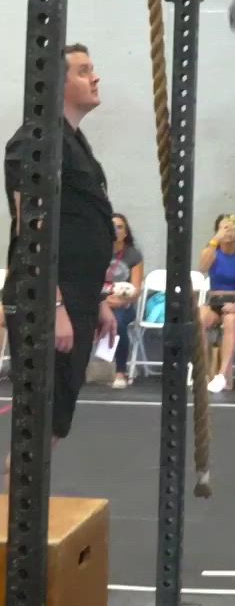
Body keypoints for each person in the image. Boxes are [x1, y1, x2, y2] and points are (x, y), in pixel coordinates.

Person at [3, 45, 117, 458]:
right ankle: (17, 516)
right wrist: (53, 306)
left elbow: (78, 226)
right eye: (85, 71)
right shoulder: (34, 143)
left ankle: (21, 516)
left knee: (57, 417)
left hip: (75, 296)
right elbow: (32, 231)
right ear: (57, 84)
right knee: (40, 417)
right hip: (46, 298)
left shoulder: (74, 143)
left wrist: (97, 299)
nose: (95, 77)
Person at [198, 213, 235, 394]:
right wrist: (216, 239)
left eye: (232, 228)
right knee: (200, 317)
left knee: (230, 320)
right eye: (224, 228)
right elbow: (202, 268)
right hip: (215, 303)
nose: (228, 232)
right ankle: (203, 373)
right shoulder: (212, 252)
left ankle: (222, 375)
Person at [102, 213, 144, 389]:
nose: (115, 230)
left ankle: (120, 372)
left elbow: (135, 290)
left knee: (118, 322)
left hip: (122, 303)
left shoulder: (133, 255)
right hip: (99, 301)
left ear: (126, 233)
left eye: (120, 227)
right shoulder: (96, 252)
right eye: (112, 226)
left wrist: (119, 301)